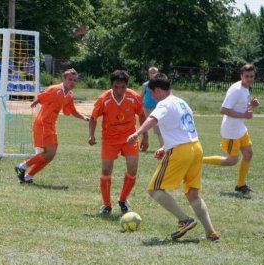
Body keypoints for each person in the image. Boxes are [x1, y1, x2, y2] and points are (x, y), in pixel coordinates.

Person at [127, 73, 219, 242]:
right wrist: (164, 146)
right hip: (196, 148)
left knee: (154, 189)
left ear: (158, 90)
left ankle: (185, 220)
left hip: (181, 151)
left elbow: (153, 119)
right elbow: (182, 129)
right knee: (193, 194)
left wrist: (138, 133)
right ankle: (211, 233)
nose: (153, 97)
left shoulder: (164, 103)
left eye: (152, 93)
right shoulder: (182, 102)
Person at [88, 70, 149, 216]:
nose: (119, 90)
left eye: (122, 87)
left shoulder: (133, 97)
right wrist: (91, 135)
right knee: (106, 170)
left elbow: (141, 115)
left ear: (127, 85)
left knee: (133, 169)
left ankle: (122, 200)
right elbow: (93, 118)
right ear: (111, 85)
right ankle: (106, 205)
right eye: (116, 87)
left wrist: (144, 136)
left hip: (130, 138)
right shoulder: (104, 99)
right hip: (110, 139)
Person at [14, 68, 89, 183]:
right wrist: (35, 101)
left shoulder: (69, 94)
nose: (72, 82)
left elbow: (71, 111)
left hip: (51, 125)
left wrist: (84, 117)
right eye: (70, 79)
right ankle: (22, 166)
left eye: (74, 80)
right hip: (43, 124)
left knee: (51, 155)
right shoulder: (55, 89)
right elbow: (41, 97)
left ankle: (28, 176)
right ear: (63, 79)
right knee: (50, 152)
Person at [203, 64, 260, 194]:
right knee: (231, 161)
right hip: (231, 131)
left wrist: (251, 105)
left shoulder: (245, 88)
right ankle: (199, 160)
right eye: (246, 76)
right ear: (241, 76)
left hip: (240, 128)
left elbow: (239, 107)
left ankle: (240, 185)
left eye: (251, 76)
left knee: (248, 154)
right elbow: (224, 110)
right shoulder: (236, 89)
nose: (249, 79)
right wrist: (245, 115)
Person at [140, 66, 164, 149]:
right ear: (148, 74)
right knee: (143, 127)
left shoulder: (161, 84)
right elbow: (141, 97)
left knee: (158, 128)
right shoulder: (145, 85)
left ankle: (162, 146)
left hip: (157, 108)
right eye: (151, 73)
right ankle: (144, 144)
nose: (153, 74)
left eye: (155, 72)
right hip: (146, 108)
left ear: (158, 73)